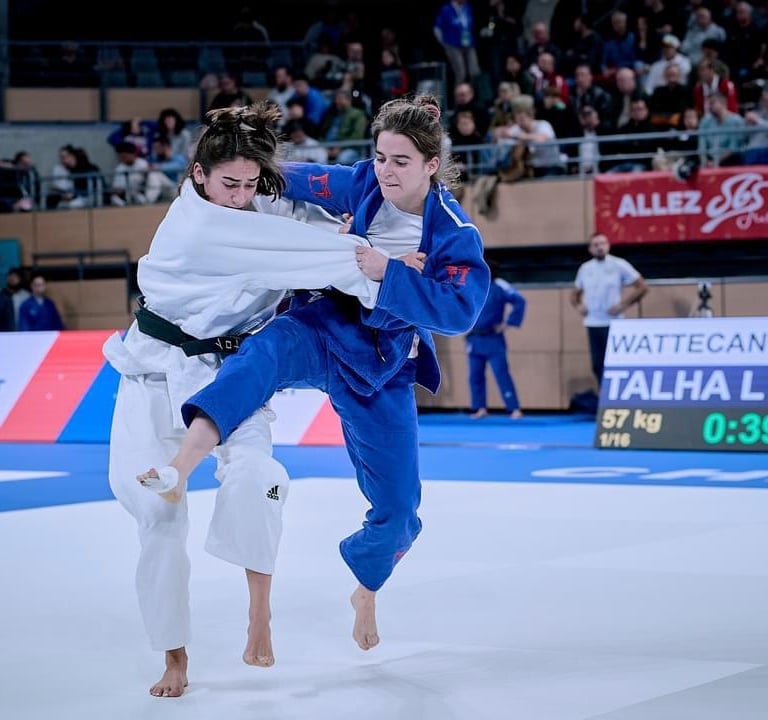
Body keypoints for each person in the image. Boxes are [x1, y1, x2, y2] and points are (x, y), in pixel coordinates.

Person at [137, 94, 491, 656]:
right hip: (322, 325)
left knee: (400, 511)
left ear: (430, 164)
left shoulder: (452, 231)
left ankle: (366, 588)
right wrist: (238, 172)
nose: (386, 171)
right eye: (381, 156)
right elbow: (288, 177)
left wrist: (389, 271)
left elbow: (460, 310)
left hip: (379, 363)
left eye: (401, 161)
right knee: (258, 356)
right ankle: (180, 466)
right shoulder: (363, 182)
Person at [103, 102, 385, 699]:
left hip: (233, 370)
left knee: (262, 478)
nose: (239, 196)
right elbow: (323, 254)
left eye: (250, 183)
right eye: (228, 183)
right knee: (158, 517)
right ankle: (174, 656)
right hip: (153, 372)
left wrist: (365, 222)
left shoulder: (264, 204)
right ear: (198, 175)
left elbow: (322, 218)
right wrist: (381, 263)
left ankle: (260, 610)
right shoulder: (196, 225)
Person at [570, 233, 648, 386]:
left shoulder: (619, 264)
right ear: (590, 249)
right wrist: (579, 305)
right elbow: (574, 293)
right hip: (593, 322)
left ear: (608, 245)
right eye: (596, 245)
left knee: (615, 364)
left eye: (602, 243)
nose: (600, 247)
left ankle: (617, 394)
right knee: (597, 365)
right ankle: (603, 394)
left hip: (613, 322)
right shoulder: (585, 268)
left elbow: (642, 286)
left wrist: (623, 304)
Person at [465, 265, 526, 419]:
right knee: (475, 375)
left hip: (493, 337)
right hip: (474, 337)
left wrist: (509, 323)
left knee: (501, 373)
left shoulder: (499, 285)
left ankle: (514, 408)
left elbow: (520, 300)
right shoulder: (471, 285)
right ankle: (479, 408)